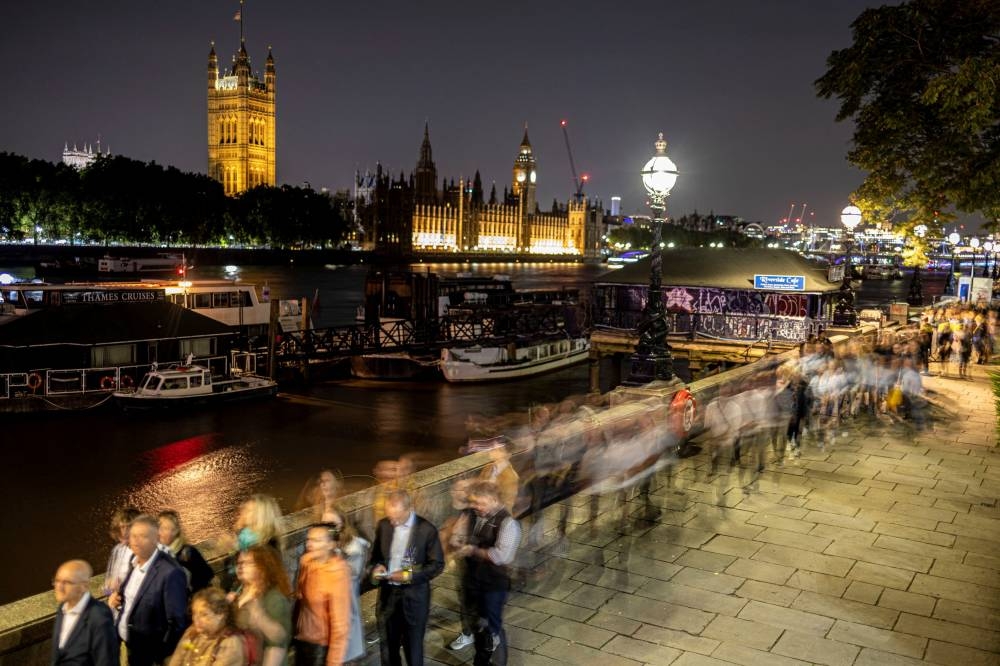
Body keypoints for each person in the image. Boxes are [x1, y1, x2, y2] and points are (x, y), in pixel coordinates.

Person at [368, 490, 444, 666]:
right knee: (388, 648)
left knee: (413, 649)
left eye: (397, 518)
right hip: (388, 596)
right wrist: (377, 567)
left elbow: (437, 565)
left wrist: (408, 576)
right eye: (389, 517)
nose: (392, 522)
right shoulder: (384, 525)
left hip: (414, 598)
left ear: (409, 509)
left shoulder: (426, 530)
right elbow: (376, 557)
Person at [108, 515, 188, 666]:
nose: (136, 541)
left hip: (149, 655)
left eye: (143, 536)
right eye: (133, 536)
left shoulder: (171, 572)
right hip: (130, 646)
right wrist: (117, 599)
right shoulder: (134, 561)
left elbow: (177, 622)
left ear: (155, 539)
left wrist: (159, 656)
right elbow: (134, 599)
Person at [294, 524, 351, 665]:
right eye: (309, 539)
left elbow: (340, 624)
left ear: (331, 544)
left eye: (317, 540)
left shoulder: (337, 573)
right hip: (301, 639)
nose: (309, 544)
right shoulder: (306, 562)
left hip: (320, 646)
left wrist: (333, 661)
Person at [51, 559, 118, 666]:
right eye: (57, 581)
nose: (59, 587)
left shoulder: (99, 617)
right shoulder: (62, 608)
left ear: (84, 586)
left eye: (67, 582)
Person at [234, 545, 292, 666]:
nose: (241, 566)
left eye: (248, 563)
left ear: (263, 568)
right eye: (239, 562)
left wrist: (258, 616)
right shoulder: (239, 592)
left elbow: (277, 644)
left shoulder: (273, 599)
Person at [169, 588, 245, 666]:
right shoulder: (192, 632)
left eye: (204, 614)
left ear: (220, 615)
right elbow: (176, 660)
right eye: (194, 613)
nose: (196, 619)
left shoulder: (230, 644)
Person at [157, 510, 214, 593]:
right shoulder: (157, 554)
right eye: (158, 528)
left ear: (176, 531)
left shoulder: (188, 552)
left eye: (164, 528)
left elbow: (207, 575)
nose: (160, 532)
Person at [104, 507, 141, 597]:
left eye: (128, 527)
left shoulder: (146, 554)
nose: (124, 531)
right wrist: (110, 593)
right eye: (121, 527)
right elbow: (107, 590)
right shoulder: (118, 551)